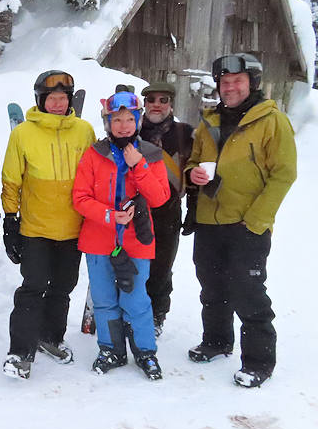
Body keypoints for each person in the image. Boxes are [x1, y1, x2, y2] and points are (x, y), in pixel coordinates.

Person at [185, 53, 296, 388]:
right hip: (209, 221)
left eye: (237, 81)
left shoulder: (271, 121)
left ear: (252, 84)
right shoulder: (209, 121)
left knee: (247, 291)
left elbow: (284, 174)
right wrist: (194, 174)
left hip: (247, 224)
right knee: (212, 287)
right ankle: (218, 341)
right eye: (224, 82)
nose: (230, 87)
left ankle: (259, 361)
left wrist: (258, 220)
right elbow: (192, 162)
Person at [1, 71, 95, 379]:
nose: (57, 103)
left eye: (62, 98)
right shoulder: (23, 134)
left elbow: (94, 175)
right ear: (41, 100)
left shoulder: (84, 131)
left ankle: (50, 337)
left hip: (72, 228)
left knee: (63, 287)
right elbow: (11, 181)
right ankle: (20, 352)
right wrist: (10, 220)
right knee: (33, 288)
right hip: (36, 229)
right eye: (51, 98)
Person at [72, 91, 170, 380]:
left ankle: (145, 353)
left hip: (136, 240)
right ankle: (111, 350)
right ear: (108, 122)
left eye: (130, 118)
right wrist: (109, 215)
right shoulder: (94, 154)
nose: (124, 125)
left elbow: (159, 197)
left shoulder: (150, 155)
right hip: (99, 240)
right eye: (117, 119)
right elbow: (80, 197)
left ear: (138, 120)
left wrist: (138, 165)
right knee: (104, 299)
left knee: (136, 299)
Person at [138, 82, 195, 336]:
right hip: (134, 210)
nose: (157, 105)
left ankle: (156, 315)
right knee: (131, 266)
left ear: (171, 104)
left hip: (169, 211)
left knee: (161, 268)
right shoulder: (131, 129)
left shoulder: (184, 133)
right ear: (144, 104)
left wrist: (194, 207)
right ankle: (130, 310)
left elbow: (195, 173)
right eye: (151, 100)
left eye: (163, 100)